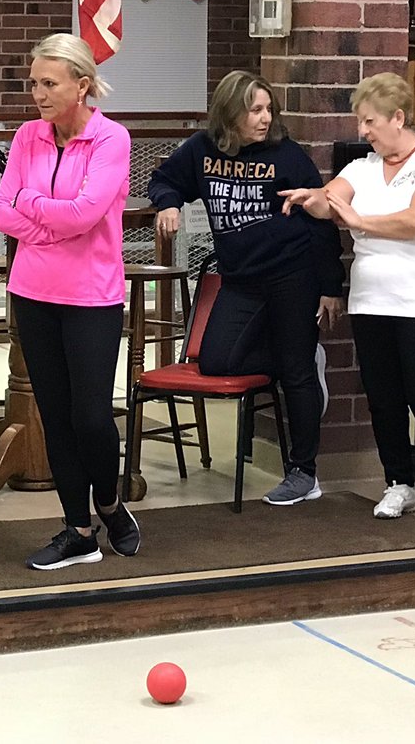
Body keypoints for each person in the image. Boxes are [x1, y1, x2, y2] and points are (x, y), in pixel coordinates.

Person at [281, 72, 415, 530]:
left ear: (398, 117)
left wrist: (358, 221)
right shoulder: (361, 168)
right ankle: (398, 482)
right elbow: (330, 202)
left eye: (370, 121)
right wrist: (313, 198)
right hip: (372, 300)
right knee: (384, 397)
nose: (363, 130)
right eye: (360, 121)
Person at [147, 70, 345, 506]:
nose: (264, 118)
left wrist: (330, 286)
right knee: (217, 361)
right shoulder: (202, 149)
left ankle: (303, 472)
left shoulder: (287, 155)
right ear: (230, 113)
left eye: (268, 109)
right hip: (240, 279)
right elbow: (163, 179)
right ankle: (297, 350)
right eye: (255, 110)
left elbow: (321, 222)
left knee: (296, 373)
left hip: (293, 273)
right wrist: (169, 204)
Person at [0, 33, 140, 570]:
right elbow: (2, 211)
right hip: (32, 293)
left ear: (81, 86)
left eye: (49, 83)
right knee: (55, 416)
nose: (38, 93)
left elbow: (84, 214)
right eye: (34, 82)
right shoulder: (27, 137)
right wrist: (53, 223)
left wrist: (32, 206)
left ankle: (109, 502)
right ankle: (79, 530)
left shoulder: (111, 139)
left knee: (91, 417)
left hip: (91, 296)